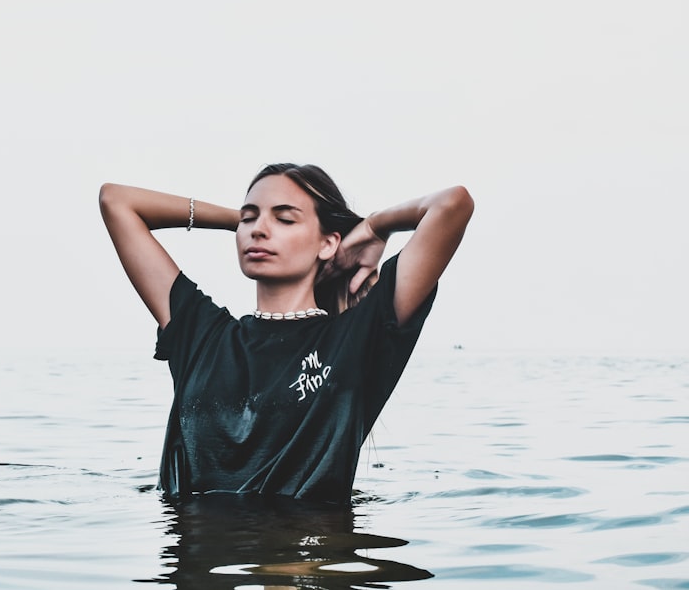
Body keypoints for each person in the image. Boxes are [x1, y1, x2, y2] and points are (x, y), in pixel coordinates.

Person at [100, 163, 473, 504]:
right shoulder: (200, 334)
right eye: (250, 219)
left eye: (285, 220)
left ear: (328, 243)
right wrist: (242, 221)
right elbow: (116, 201)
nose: (259, 229)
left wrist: (374, 226)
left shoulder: (358, 337)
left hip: (308, 562)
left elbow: (452, 205)